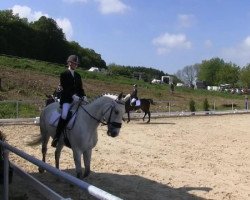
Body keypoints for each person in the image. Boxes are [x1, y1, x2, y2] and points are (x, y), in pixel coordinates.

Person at [51, 55, 87, 147]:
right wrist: (73, 96)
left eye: (77, 64)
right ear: (69, 63)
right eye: (74, 63)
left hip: (77, 99)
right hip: (66, 99)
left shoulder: (78, 75)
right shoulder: (64, 74)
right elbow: (65, 88)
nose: (76, 65)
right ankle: (57, 136)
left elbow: (80, 88)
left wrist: (84, 96)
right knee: (64, 115)